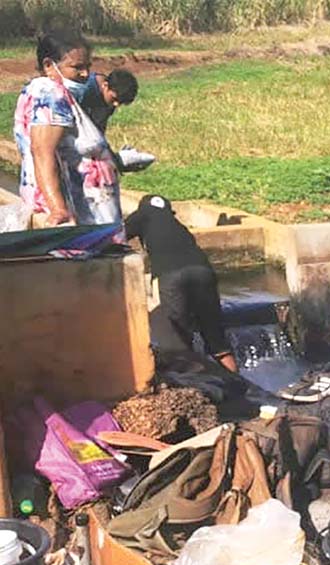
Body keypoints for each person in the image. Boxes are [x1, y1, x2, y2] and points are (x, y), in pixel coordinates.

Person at [12, 31, 120, 227]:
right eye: (77, 67)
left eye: (88, 66)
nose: (86, 74)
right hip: (72, 213)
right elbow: (42, 152)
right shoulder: (51, 94)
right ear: (48, 65)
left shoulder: (51, 92)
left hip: (86, 212)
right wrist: (58, 208)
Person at [125, 195, 237, 373]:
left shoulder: (141, 215)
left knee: (178, 340)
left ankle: (194, 387)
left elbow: (115, 237)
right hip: (204, 272)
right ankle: (240, 385)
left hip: (170, 277)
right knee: (217, 340)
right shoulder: (180, 227)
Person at [83, 69, 138, 133]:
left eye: (121, 102)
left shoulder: (109, 100)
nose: (116, 104)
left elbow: (99, 129)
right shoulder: (83, 89)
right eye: (114, 99)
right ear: (105, 85)